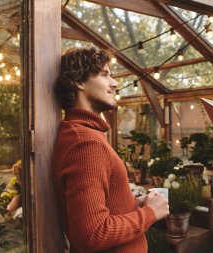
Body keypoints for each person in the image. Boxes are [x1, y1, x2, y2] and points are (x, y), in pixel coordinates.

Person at [52, 47, 169, 253]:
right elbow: (93, 234)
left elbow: (100, 209)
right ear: (79, 82)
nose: (114, 83)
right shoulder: (86, 144)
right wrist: (150, 213)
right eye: (104, 75)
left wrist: (134, 204)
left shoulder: (85, 134)